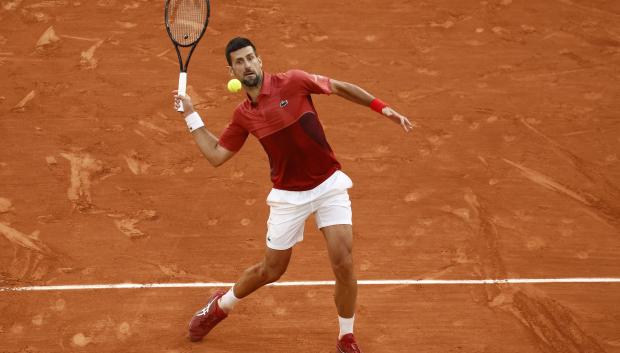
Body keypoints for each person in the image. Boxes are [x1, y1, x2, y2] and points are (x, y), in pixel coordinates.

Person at [173, 37, 414, 353]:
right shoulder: (243, 114)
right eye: (240, 62)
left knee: (343, 261)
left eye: (250, 58)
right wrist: (191, 116)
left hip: (328, 184)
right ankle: (221, 305)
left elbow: (341, 87)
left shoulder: (294, 82)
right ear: (232, 70)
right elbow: (217, 155)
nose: (247, 65)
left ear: (260, 60)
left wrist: (385, 109)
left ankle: (346, 336)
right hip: (288, 196)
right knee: (271, 270)